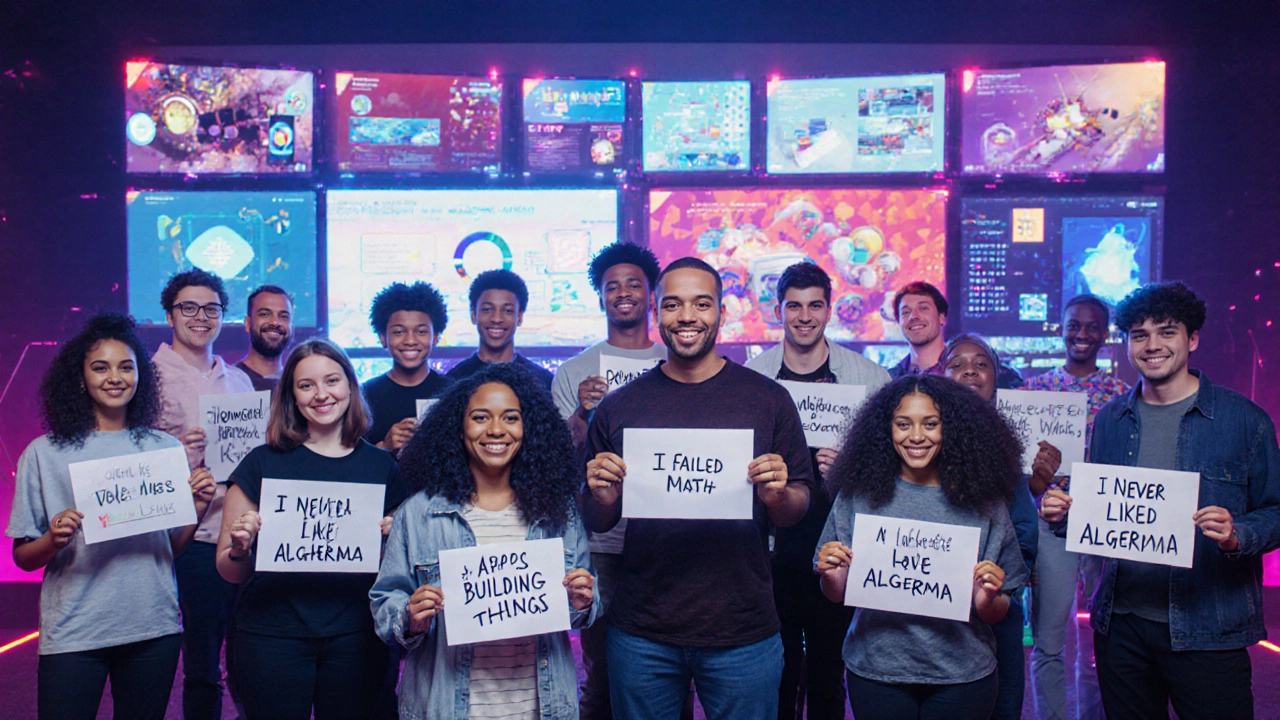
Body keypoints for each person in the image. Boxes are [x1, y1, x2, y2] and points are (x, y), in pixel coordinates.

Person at [583, 257, 813, 720]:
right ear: (656, 312)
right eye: (673, 304)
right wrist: (603, 497)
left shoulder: (768, 399)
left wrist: (777, 495)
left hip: (743, 631)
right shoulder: (618, 407)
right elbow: (596, 517)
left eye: (702, 304)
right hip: (642, 630)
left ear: (722, 313)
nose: (687, 316)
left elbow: (798, 507)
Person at [1041, 281, 1280, 720]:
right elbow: (1103, 512)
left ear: (1192, 339)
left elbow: (1276, 511)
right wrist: (1062, 514)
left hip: (1209, 627)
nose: (1152, 345)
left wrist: (1237, 534)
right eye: (1139, 335)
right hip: (1122, 628)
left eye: (1166, 332)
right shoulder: (1112, 419)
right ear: (1129, 344)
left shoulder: (1244, 420)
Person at [7, 312, 216, 719]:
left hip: (152, 627)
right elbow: (23, 557)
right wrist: (53, 539)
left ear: (141, 375)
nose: (114, 377)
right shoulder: (43, 453)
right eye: (100, 367)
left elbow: (168, 548)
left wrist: (197, 508)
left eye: (126, 366)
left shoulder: (164, 449)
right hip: (74, 630)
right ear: (80, 377)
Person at [371, 363, 598, 718]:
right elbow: (385, 604)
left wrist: (582, 599)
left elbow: (582, 603)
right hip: (449, 706)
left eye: (510, 418)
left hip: (539, 707)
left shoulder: (560, 511)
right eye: (480, 417)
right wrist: (410, 617)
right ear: (458, 429)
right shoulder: (418, 513)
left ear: (529, 428)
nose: (496, 430)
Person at [815, 374, 1028, 720]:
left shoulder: (984, 501)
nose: (916, 436)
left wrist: (989, 596)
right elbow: (835, 593)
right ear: (886, 428)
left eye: (931, 424)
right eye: (903, 424)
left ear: (953, 428)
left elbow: (995, 610)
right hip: (876, 671)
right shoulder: (858, 494)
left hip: (963, 674)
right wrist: (831, 573)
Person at [215, 338, 404, 719]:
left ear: (350, 386)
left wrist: (393, 540)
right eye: (306, 385)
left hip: (357, 634)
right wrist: (240, 547)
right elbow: (229, 571)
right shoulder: (260, 463)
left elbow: (398, 570)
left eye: (332, 381)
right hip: (271, 634)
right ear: (292, 396)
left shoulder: (383, 467)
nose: (322, 394)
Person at [744, 261, 889, 720]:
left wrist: (849, 466)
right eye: (794, 306)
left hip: (837, 544)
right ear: (778, 311)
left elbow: (893, 467)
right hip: (771, 545)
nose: (804, 316)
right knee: (777, 667)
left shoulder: (871, 379)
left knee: (830, 666)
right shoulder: (752, 378)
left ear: (829, 310)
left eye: (815, 306)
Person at [550, 242, 666, 719]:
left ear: (651, 295)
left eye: (633, 284)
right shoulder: (574, 371)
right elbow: (560, 461)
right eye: (611, 286)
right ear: (600, 298)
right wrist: (582, 411)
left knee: (666, 670)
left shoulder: (675, 360)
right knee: (600, 673)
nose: (622, 293)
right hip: (601, 542)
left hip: (665, 535)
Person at [152, 268, 255, 720]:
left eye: (211, 308)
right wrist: (176, 454)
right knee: (202, 666)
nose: (200, 317)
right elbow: (132, 462)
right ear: (170, 315)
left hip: (242, 535)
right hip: (189, 538)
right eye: (188, 308)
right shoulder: (148, 378)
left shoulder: (238, 381)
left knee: (251, 659)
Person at [1023, 295, 1128, 720]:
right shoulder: (1034, 390)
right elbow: (1020, 467)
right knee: (1049, 642)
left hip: (1103, 523)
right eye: (1073, 325)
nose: (1081, 334)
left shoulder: (1122, 397)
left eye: (1092, 327)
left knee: (1099, 641)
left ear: (1105, 334)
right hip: (1050, 523)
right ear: (1061, 329)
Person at [941, 333, 1053, 720]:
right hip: (929, 599)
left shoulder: (1007, 441)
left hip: (996, 598)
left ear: (995, 376)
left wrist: (1002, 583)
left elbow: (1022, 526)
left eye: (981, 363)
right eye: (956, 363)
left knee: (1003, 704)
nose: (969, 369)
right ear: (940, 375)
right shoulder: (915, 436)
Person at [362, 281, 455, 453]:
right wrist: (384, 446)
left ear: (435, 337)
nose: (410, 341)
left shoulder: (452, 392)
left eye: (421, 332)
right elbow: (353, 460)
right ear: (383, 337)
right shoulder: (365, 395)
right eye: (399, 332)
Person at [446, 269, 554, 391]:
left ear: (519, 317)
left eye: (507, 311)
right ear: (474, 315)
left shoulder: (542, 381)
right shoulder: (454, 381)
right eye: (487, 309)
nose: (496, 319)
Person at [236, 285, 294, 394]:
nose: (275, 322)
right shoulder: (228, 382)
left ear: (291, 327)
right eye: (265, 314)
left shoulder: (298, 385)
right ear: (248, 323)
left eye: (284, 316)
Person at [887, 282, 949, 378]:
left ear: (941, 317)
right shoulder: (889, 379)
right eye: (906, 312)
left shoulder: (962, 373)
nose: (913, 316)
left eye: (923, 308)